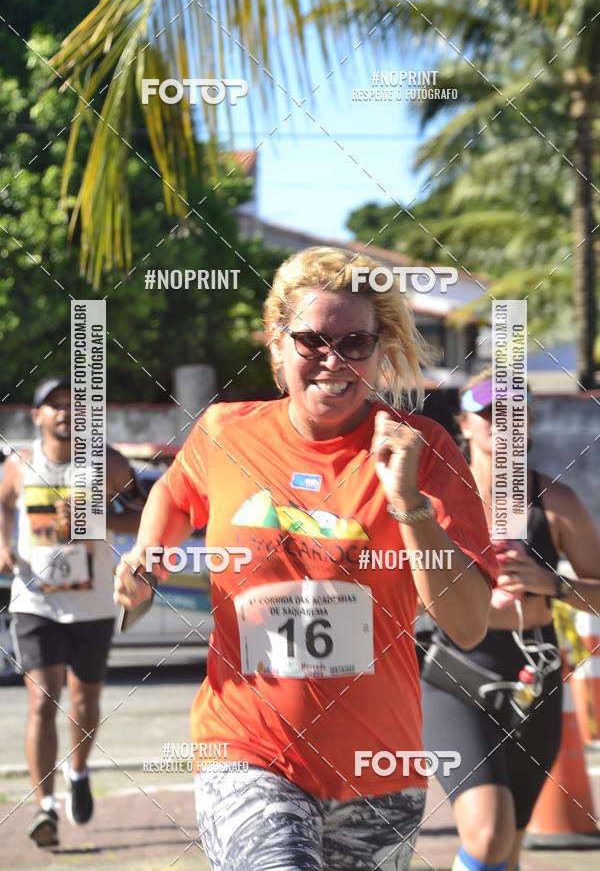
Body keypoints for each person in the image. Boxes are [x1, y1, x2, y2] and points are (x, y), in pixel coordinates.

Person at [114, 247, 497, 871]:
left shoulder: (422, 450)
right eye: (312, 339)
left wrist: (409, 505)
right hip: (246, 750)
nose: (334, 360)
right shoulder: (225, 432)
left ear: (380, 349)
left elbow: (468, 623)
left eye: (356, 342)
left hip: (379, 771)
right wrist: (145, 557)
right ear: (276, 344)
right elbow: (173, 493)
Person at [421, 368, 600, 871]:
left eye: (515, 415)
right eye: (489, 415)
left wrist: (553, 585)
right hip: (456, 673)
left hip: (534, 678)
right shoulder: (431, 503)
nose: (503, 426)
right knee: (486, 833)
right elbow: (392, 588)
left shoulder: (556, 503)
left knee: (508, 848)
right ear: (464, 423)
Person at [0, 377, 144, 847]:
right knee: (43, 700)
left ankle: (79, 772)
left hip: (93, 603)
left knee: (83, 703)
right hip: (35, 600)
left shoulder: (107, 462)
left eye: (73, 405)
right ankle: (45, 807)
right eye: (53, 406)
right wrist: (3, 542)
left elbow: (148, 514)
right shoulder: (19, 465)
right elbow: (3, 504)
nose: (65, 412)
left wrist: (99, 521)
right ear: (36, 416)